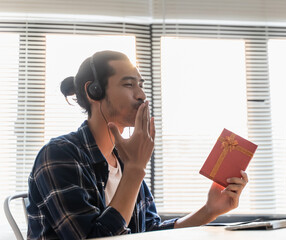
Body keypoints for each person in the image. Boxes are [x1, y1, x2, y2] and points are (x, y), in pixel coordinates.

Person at [27, 50, 249, 239]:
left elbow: (149, 232)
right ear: (93, 91)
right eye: (129, 84)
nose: (141, 95)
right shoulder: (58, 155)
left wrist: (209, 211)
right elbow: (93, 237)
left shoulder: (125, 160)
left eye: (141, 85)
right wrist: (135, 170)